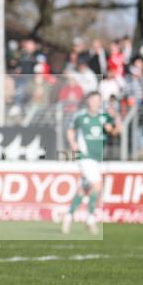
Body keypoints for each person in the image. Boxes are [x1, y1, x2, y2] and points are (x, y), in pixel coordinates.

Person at [62, 92, 118, 235]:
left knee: (84, 189)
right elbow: (70, 130)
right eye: (93, 100)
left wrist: (116, 118)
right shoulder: (80, 116)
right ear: (88, 101)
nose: (95, 103)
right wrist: (73, 143)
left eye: (98, 100)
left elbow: (113, 132)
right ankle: (90, 219)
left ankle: (68, 217)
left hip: (98, 158)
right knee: (97, 185)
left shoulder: (103, 117)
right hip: (85, 157)